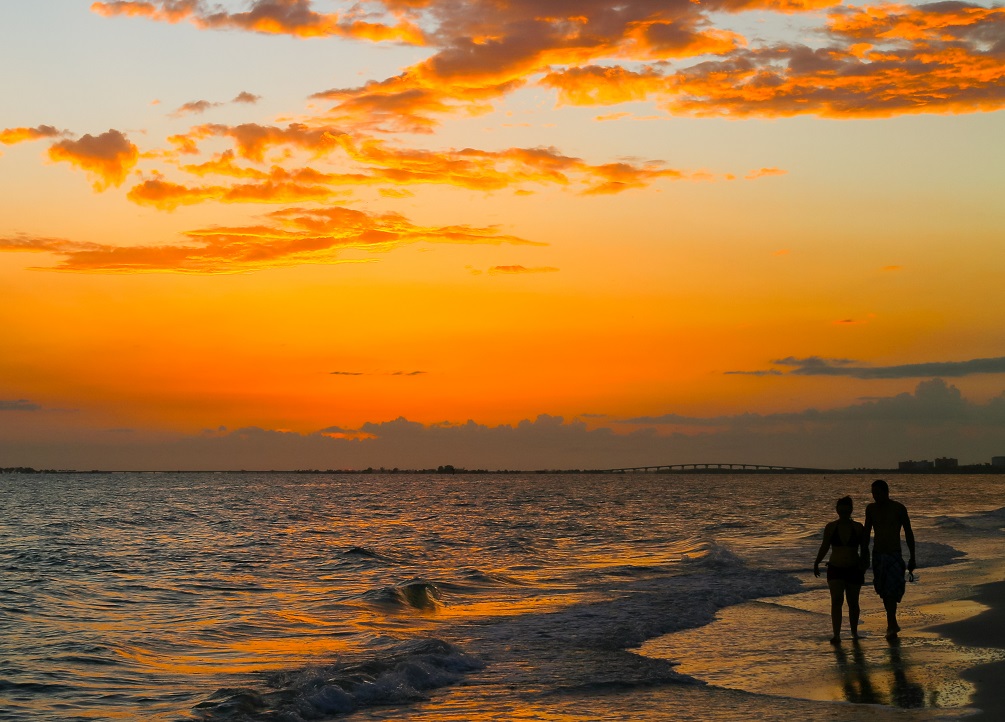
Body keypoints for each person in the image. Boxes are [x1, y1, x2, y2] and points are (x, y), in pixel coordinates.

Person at [863, 479, 916, 638]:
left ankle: (891, 621)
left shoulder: (898, 508)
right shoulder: (871, 509)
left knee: (892, 589)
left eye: (878, 493)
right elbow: (866, 532)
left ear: (886, 492)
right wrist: (863, 553)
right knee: (882, 589)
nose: (875, 496)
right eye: (873, 493)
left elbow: (908, 532)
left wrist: (912, 556)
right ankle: (891, 621)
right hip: (878, 554)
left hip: (894, 553)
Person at [814, 496, 868, 643]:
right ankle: (836, 634)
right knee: (836, 601)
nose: (843, 511)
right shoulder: (831, 527)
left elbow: (864, 548)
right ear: (837, 509)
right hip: (835, 568)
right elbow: (825, 546)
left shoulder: (858, 527)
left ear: (851, 510)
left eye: (846, 508)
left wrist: (864, 564)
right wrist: (817, 562)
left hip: (854, 568)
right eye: (841, 508)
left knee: (853, 602)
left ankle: (854, 633)